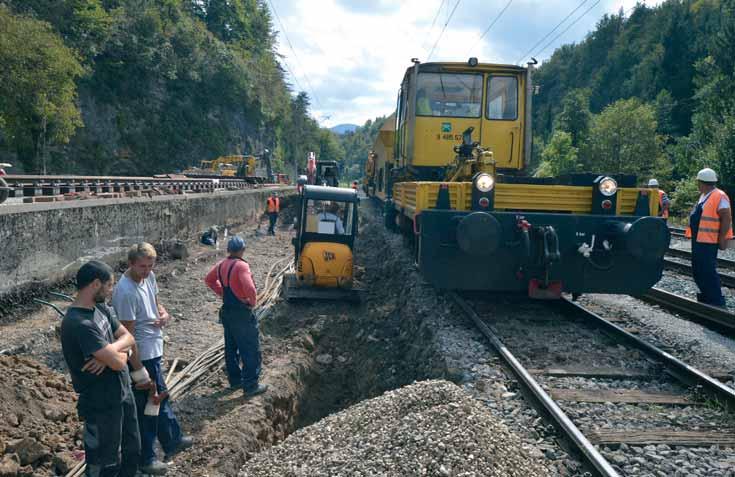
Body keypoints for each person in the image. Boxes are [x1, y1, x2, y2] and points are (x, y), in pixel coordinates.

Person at [112, 243, 193, 473]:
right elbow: (127, 336)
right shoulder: (125, 292)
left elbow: (156, 304)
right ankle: (146, 458)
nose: (147, 271)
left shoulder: (149, 277)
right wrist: (138, 371)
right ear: (130, 264)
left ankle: (172, 440)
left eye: (150, 266)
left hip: (154, 349)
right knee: (149, 406)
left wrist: (164, 314)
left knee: (160, 399)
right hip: (142, 356)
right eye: (142, 267)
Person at [60, 261, 141, 477]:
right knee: (105, 463)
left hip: (121, 393)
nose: (112, 290)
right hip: (100, 403)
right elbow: (118, 360)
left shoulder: (100, 308)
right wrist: (118, 355)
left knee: (131, 449)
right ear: (96, 284)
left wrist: (110, 353)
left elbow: (129, 337)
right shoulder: (79, 323)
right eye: (110, 285)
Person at [204, 236, 267, 398]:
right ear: (242, 250)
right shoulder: (241, 266)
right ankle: (251, 386)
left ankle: (235, 381)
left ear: (228, 250)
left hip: (227, 312)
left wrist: (222, 292)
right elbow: (250, 288)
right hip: (241, 313)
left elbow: (209, 280)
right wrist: (251, 302)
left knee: (231, 349)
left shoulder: (221, 265)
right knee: (250, 349)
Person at [685, 168, 733, 307]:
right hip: (699, 239)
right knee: (698, 270)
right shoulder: (704, 195)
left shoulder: (719, 195)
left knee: (707, 271)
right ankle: (707, 297)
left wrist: (722, 238)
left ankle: (716, 301)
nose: (697, 185)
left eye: (698, 183)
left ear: (702, 182)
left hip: (709, 241)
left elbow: (726, 217)